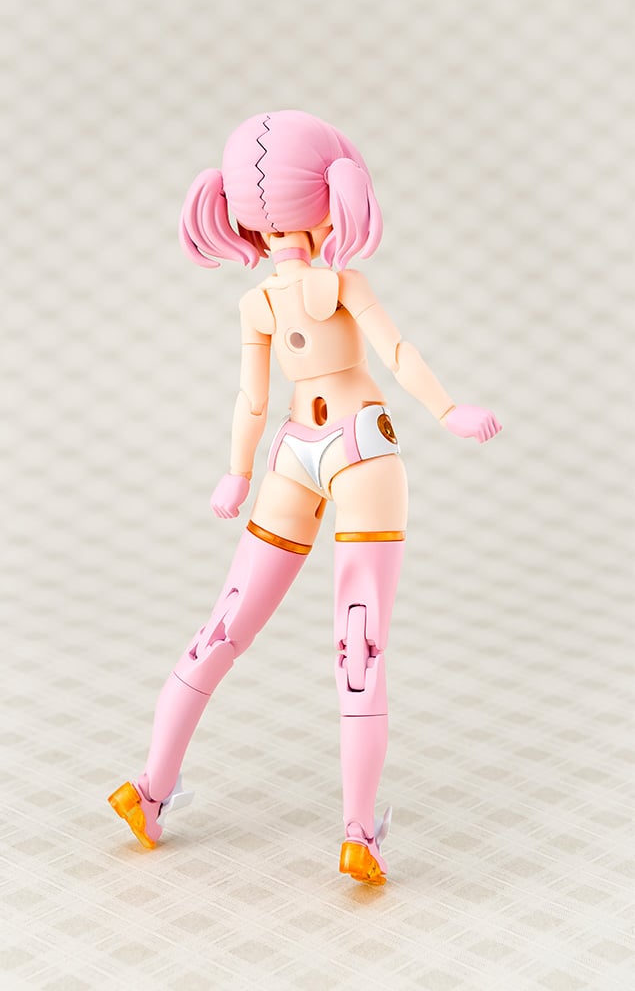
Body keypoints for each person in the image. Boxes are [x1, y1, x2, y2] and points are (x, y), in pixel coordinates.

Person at [109, 110, 501, 885]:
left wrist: (236, 471)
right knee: (359, 646)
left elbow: (251, 401)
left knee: (222, 627)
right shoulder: (343, 284)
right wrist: (448, 412)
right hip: (359, 448)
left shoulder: (256, 302)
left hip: (291, 453)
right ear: (330, 195)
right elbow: (398, 354)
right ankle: (357, 833)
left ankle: (149, 789)